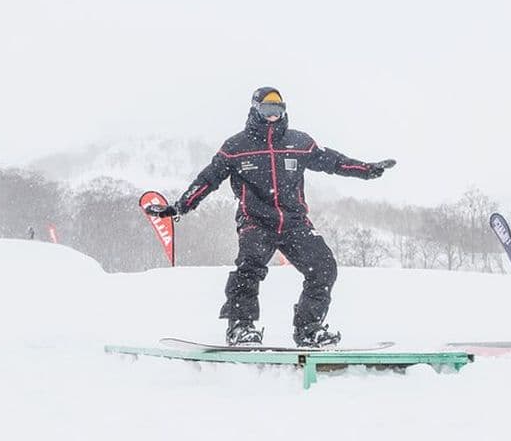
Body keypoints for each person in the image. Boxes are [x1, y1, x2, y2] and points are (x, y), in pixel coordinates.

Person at [145, 87, 393, 347]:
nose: (273, 115)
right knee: (249, 268)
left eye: (278, 110)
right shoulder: (236, 147)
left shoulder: (299, 143)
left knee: (324, 267)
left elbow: (334, 162)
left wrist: (366, 170)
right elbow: (208, 180)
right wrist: (179, 207)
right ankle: (240, 327)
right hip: (256, 221)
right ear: (255, 110)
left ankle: (308, 329)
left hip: (294, 223)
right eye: (267, 110)